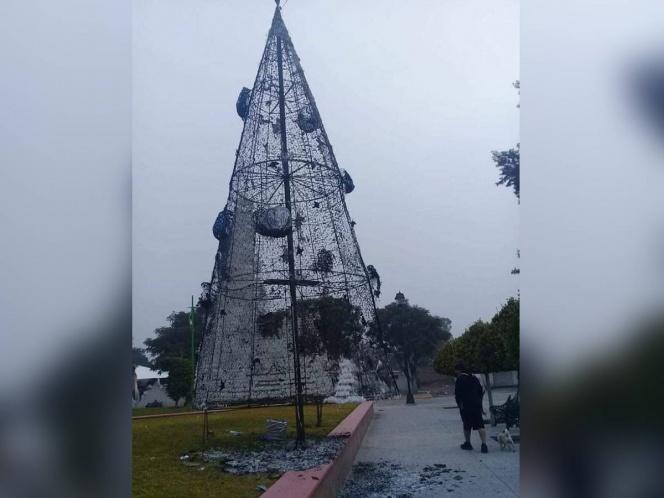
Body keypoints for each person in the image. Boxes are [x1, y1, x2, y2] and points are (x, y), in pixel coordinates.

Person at [454, 361, 488, 453]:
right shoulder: (474, 378)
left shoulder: (459, 379)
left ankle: (468, 443)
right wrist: (479, 404)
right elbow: (481, 391)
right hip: (476, 405)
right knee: (480, 424)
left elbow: (457, 395)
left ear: (459, 370)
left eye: (456, 370)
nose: (455, 372)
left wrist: (459, 405)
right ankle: (484, 444)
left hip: (466, 406)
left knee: (467, 425)